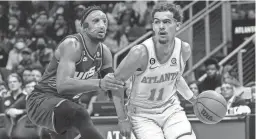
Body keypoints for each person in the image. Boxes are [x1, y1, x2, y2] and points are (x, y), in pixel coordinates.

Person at [26, 6, 125, 139]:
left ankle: (49, 133)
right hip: (41, 100)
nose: (102, 25)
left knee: (77, 120)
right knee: (80, 113)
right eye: (96, 21)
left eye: (104, 21)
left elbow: (112, 89)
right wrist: (100, 82)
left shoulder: (105, 52)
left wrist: (123, 118)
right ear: (84, 27)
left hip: (66, 106)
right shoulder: (72, 45)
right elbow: (63, 86)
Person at [110, 2, 197, 139]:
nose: (161, 27)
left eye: (167, 22)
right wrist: (122, 119)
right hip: (142, 114)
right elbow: (116, 83)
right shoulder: (140, 53)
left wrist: (194, 100)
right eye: (157, 22)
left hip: (171, 109)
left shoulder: (184, 50)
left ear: (178, 25)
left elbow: (175, 78)